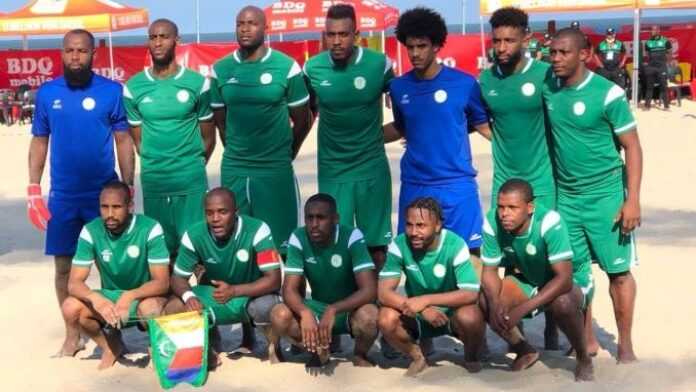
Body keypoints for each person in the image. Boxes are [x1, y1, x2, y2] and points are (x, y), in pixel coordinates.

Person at [28, 29, 134, 357]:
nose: (76, 57)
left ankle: (114, 333)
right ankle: (72, 334)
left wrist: (128, 186)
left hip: (104, 197)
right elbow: (40, 142)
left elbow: (124, 141)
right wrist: (34, 187)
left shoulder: (111, 91)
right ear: (62, 53)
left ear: (94, 54)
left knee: (109, 268)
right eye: (70, 51)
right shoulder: (47, 94)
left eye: (82, 51)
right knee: (64, 268)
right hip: (63, 196)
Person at [544, 28, 642, 363]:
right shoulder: (549, 88)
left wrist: (632, 200)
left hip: (607, 196)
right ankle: (586, 340)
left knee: (618, 272)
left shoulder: (608, 94)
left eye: (563, 53)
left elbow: (632, 147)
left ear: (584, 55)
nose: (555, 58)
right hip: (567, 199)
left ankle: (625, 345)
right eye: (552, 52)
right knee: (576, 274)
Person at [479, 6, 559, 349]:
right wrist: (500, 142)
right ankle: (520, 334)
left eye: (509, 40)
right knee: (511, 257)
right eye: (496, 40)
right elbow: (477, 119)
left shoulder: (545, 74)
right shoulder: (485, 80)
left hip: (542, 183)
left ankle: (555, 328)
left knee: (549, 257)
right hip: (503, 185)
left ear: (526, 38)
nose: (501, 47)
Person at [384, 7, 490, 256]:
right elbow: (401, 127)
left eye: (421, 46)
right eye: (410, 47)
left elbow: (482, 125)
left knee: (470, 255)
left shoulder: (464, 84)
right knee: (414, 256)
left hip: (457, 184)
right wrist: (362, 140)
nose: (415, 53)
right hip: (416, 184)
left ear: (436, 46)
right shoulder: (399, 88)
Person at [209, 6, 311, 256]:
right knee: (237, 241)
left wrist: (289, 151)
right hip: (236, 167)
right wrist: (236, 148)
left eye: (252, 23)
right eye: (240, 23)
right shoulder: (220, 70)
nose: (245, 28)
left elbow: (303, 119)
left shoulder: (286, 67)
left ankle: (283, 294)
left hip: (275, 167)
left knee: (281, 245)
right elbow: (221, 122)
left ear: (266, 28)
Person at [303, 4, 394, 270]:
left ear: (356, 34)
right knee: (335, 243)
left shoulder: (379, 64)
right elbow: (304, 114)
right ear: (324, 35)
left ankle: (374, 305)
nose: (336, 41)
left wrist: (381, 138)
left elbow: (404, 109)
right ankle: (345, 306)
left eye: (343, 34)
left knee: (376, 247)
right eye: (331, 35)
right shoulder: (313, 69)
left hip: (372, 167)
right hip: (333, 169)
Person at [480, 179, 594, 381]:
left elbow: (564, 279)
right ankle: (524, 350)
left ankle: (583, 358)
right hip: (528, 276)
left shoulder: (549, 221)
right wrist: (496, 303)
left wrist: (522, 310)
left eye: (512, 207)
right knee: (486, 300)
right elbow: (489, 271)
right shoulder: (491, 221)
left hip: (571, 278)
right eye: (501, 207)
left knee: (563, 303)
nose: (504, 213)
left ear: (530, 207)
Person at [124, 19, 215, 260]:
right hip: (155, 181)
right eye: (153, 37)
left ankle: (204, 298)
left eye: (164, 36)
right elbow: (139, 142)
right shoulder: (134, 87)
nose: (158, 42)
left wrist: (190, 165)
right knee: (164, 254)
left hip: (191, 181)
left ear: (177, 40)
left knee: (198, 250)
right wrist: (158, 163)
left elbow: (209, 137)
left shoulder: (197, 83)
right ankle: (173, 299)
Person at [166, 188, 283, 368]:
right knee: (174, 306)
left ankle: (274, 346)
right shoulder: (193, 235)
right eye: (209, 213)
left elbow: (274, 280)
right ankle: (206, 349)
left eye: (223, 212)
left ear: (236, 213)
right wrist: (188, 297)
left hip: (251, 294)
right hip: (217, 294)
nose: (215, 219)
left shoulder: (258, 230)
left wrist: (235, 290)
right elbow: (177, 278)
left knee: (266, 306)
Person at [61, 181, 170, 369]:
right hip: (110, 298)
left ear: (130, 206)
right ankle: (111, 346)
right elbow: (74, 284)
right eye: (104, 207)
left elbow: (162, 283)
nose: (110, 214)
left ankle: (156, 348)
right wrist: (96, 298)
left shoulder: (150, 228)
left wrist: (130, 295)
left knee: (151, 308)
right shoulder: (90, 230)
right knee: (70, 307)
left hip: (143, 296)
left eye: (117, 207)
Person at [268, 193, 378, 367]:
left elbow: (369, 290)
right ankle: (318, 350)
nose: (314, 225)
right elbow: (288, 289)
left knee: (370, 317)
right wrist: (305, 313)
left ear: (335, 219)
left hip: (349, 309)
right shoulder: (298, 237)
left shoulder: (352, 236)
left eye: (321, 218)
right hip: (317, 308)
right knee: (278, 315)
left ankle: (359, 354)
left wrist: (334, 309)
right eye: (309, 218)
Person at [378, 197, 485, 376]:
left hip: (451, 314)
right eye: (409, 225)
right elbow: (383, 293)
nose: (413, 232)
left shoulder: (455, 244)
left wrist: (425, 300)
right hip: (418, 315)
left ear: (437, 226)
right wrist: (423, 309)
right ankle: (418, 357)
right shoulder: (399, 244)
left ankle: (471, 358)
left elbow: (470, 293)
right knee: (385, 318)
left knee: (472, 316)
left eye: (421, 225)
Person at [643, 25, 672, 110]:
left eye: (654, 30)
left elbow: (670, 52)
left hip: (661, 67)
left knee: (663, 86)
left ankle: (666, 106)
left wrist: (666, 62)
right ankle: (647, 106)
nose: (652, 31)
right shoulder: (648, 42)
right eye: (651, 30)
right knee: (649, 86)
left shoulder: (665, 40)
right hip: (651, 67)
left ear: (658, 30)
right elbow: (647, 54)